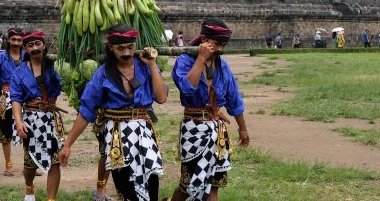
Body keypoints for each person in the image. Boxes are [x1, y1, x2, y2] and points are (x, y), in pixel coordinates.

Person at [60, 24, 168, 201]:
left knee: (151, 183)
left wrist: (152, 64)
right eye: (120, 48)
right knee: (126, 189)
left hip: (144, 133)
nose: (126, 53)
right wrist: (68, 145)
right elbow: (86, 111)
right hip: (118, 135)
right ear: (110, 47)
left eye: (130, 47)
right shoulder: (102, 75)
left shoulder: (145, 68)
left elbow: (162, 97)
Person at [165, 17, 249, 201]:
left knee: (213, 185)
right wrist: (201, 59)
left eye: (224, 45)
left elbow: (234, 99)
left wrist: (243, 128)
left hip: (217, 132)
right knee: (187, 185)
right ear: (204, 40)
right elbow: (187, 88)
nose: (221, 50)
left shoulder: (223, 66)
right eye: (217, 44)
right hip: (193, 129)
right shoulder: (185, 61)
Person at [11, 31, 66, 201]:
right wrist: (19, 122)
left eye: (37, 44)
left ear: (44, 46)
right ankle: (29, 189)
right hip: (31, 120)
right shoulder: (19, 72)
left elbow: (67, 79)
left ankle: (51, 199)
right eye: (30, 45)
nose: (35, 48)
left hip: (51, 120)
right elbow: (16, 99)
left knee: (55, 161)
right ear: (25, 49)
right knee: (30, 163)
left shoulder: (54, 66)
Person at [0, 28, 26, 177]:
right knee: (5, 131)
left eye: (19, 40)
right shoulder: (0, 57)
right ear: (8, 40)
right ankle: (8, 164)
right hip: (6, 96)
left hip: (25, 96)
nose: (16, 43)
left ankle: (28, 164)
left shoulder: (27, 55)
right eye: (14, 40)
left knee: (27, 129)